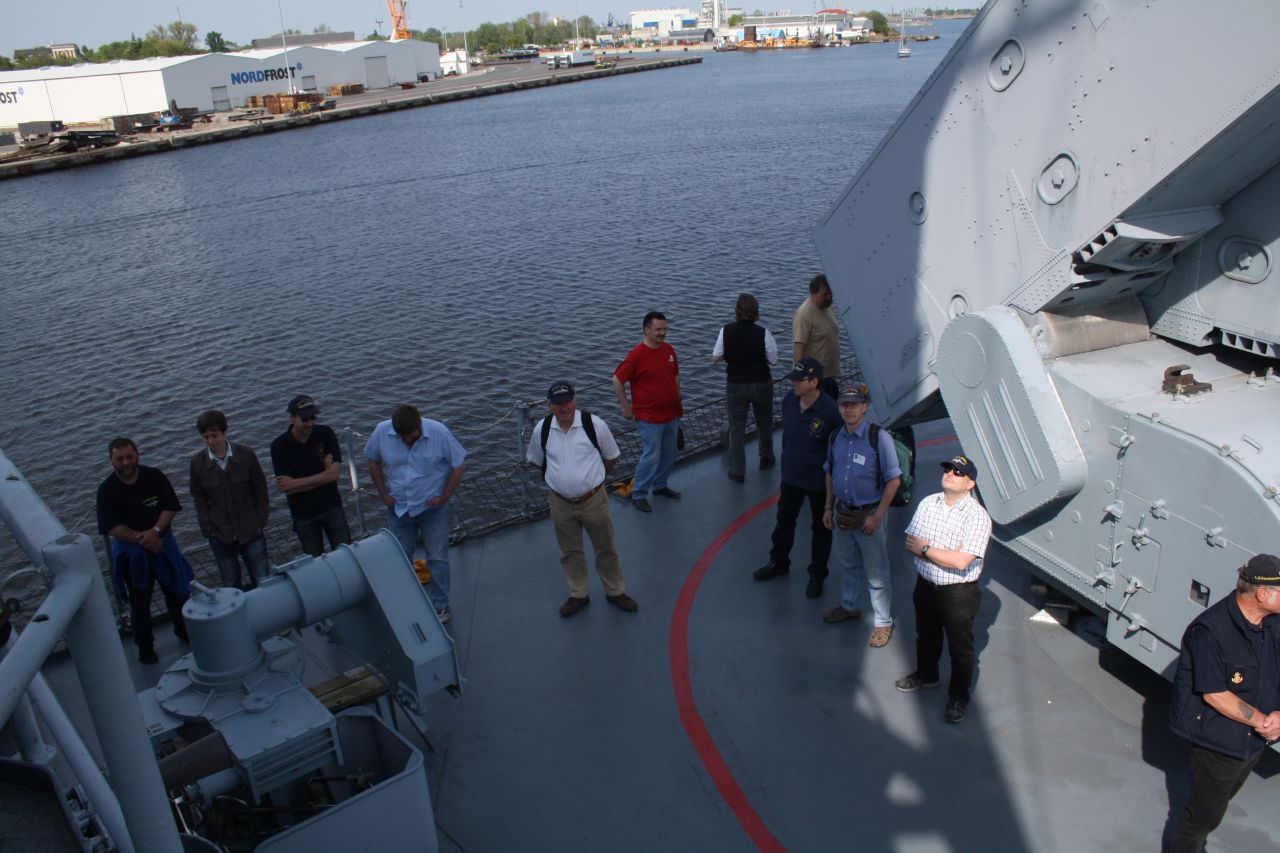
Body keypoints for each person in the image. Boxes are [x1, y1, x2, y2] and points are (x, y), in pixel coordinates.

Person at [1167, 554, 1280, 852]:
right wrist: (1264, 722)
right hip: (1220, 745)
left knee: (1220, 802)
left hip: (1255, 741)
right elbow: (1215, 694)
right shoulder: (1210, 631)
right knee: (1202, 816)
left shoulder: (1273, 624)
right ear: (1263, 593)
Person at [526, 381, 638, 617]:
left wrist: (592, 483)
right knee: (569, 551)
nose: (563, 407)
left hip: (593, 501)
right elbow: (538, 461)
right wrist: (562, 483)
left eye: (567, 401)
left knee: (605, 548)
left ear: (575, 401)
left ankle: (615, 591)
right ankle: (578, 594)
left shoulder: (594, 424)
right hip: (560, 504)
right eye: (557, 404)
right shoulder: (542, 429)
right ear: (549, 406)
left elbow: (611, 457)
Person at [895, 454, 992, 723]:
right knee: (926, 635)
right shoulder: (928, 503)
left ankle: (959, 698)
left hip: (958, 593)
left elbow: (961, 562)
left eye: (958, 472)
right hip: (925, 585)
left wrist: (927, 549)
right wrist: (936, 553)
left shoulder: (978, 517)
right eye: (948, 469)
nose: (950, 473)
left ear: (970, 483)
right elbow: (910, 543)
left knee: (961, 649)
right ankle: (927, 676)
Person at [365, 404, 467, 624]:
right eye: (403, 438)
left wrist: (444, 497)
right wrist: (383, 494)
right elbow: (372, 460)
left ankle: (440, 604)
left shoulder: (439, 432)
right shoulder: (382, 432)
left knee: (437, 558)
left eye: (411, 436)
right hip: (399, 510)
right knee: (399, 559)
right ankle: (406, 602)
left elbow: (459, 464)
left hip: (432, 510)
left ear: (419, 423)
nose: (407, 441)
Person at [96, 437, 192, 664]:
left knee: (177, 593)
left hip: (163, 546)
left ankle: (185, 633)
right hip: (133, 556)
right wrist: (144, 538)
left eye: (129, 457)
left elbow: (171, 506)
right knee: (140, 605)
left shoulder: (154, 476)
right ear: (111, 460)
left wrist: (156, 531)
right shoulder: (107, 491)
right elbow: (111, 527)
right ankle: (146, 649)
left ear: (137, 455)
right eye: (119, 459)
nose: (125, 462)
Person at [821, 385, 901, 646]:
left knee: (876, 573)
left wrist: (878, 517)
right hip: (843, 513)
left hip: (869, 515)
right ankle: (849, 605)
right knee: (847, 564)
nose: (849, 409)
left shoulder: (879, 438)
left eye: (854, 404)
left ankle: (883, 622)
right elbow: (830, 473)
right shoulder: (835, 437)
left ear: (864, 407)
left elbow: (893, 480)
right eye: (844, 404)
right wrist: (827, 508)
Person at [753, 358, 841, 596]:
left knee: (820, 529)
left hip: (818, 481)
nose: (793, 383)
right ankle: (779, 562)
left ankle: (817, 574)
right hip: (791, 476)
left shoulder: (831, 411)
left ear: (814, 382)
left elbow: (839, 448)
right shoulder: (790, 401)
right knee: (784, 521)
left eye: (799, 380)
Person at [189, 410, 270, 590]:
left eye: (214, 435)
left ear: (224, 432)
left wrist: (260, 519)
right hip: (220, 534)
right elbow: (199, 497)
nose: (210, 441)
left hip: (250, 529)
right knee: (230, 585)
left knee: (263, 579)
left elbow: (259, 486)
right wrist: (208, 529)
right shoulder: (197, 463)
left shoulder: (246, 455)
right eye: (206, 437)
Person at [612, 311, 683, 513]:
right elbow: (617, 380)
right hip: (649, 417)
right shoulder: (637, 355)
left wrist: (677, 394)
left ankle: (660, 486)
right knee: (652, 455)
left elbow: (675, 374)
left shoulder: (669, 350)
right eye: (658, 329)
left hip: (671, 413)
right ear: (646, 330)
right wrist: (626, 407)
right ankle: (639, 494)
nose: (663, 333)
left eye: (665, 329)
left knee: (669, 452)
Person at [270, 395, 352, 557]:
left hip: (332, 508)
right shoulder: (279, 446)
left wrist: (298, 483)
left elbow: (334, 475)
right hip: (304, 516)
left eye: (313, 418)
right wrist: (323, 475)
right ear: (292, 418)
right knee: (314, 561)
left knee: (346, 554)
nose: (310, 423)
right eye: (305, 419)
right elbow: (287, 487)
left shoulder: (325, 434)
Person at [712, 292, 778, 483]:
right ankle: (766, 458)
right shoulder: (763, 333)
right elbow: (773, 360)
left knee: (737, 428)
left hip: (735, 385)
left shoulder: (726, 331)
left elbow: (715, 357)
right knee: (764, 422)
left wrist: (730, 356)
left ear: (737, 311)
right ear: (756, 311)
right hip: (760, 383)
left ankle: (737, 471)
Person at [792, 273, 840, 399]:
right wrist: (801, 379)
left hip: (830, 377)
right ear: (813, 293)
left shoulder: (827, 308)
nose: (829, 297)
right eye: (825, 294)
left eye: (830, 293)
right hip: (815, 381)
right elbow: (799, 347)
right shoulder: (805, 313)